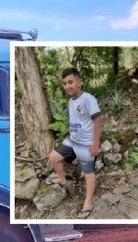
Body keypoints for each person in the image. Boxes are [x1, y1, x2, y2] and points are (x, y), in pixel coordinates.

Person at [48, 67, 102, 219]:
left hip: (86, 143)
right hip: (72, 140)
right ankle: (62, 178)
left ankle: (88, 203)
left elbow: (97, 120)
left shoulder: (88, 99)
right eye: (64, 83)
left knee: (88, 173)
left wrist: (95, 144)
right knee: (53, 158)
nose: (67, 86)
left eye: (70, 82)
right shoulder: (71, 101)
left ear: (79, 82)